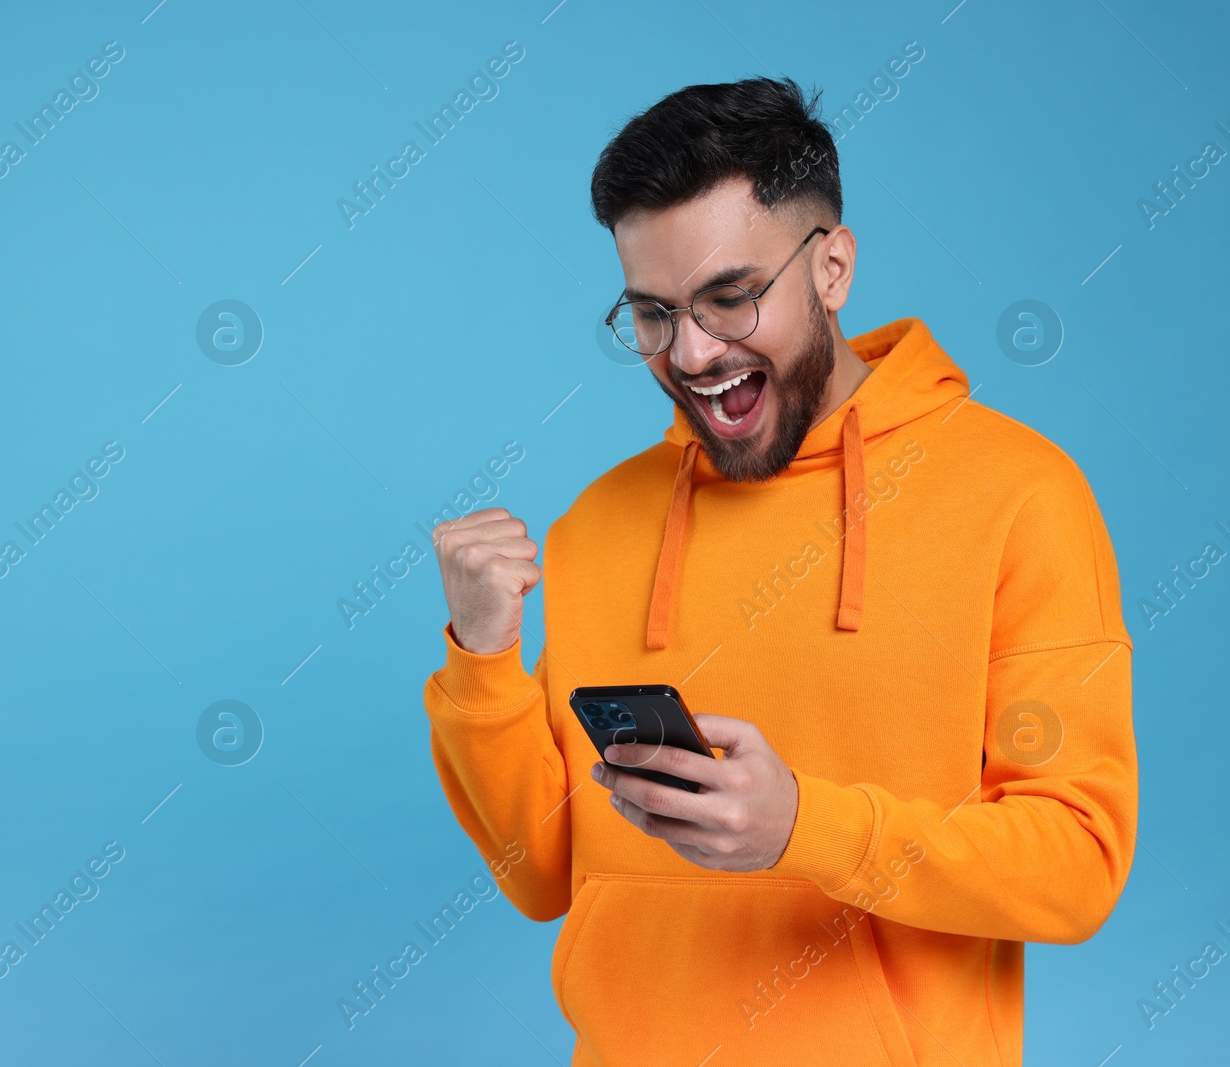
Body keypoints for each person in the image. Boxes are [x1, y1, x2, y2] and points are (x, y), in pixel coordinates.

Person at [422, 76, 1136, 1066]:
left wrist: (807, 826)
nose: (695, 352)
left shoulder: (1019, 496)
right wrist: (481, 659)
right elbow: (544, 871)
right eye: (653, 314)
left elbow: (1077, 863)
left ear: (832, 266)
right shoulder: (596, 525)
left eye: (730, 296)